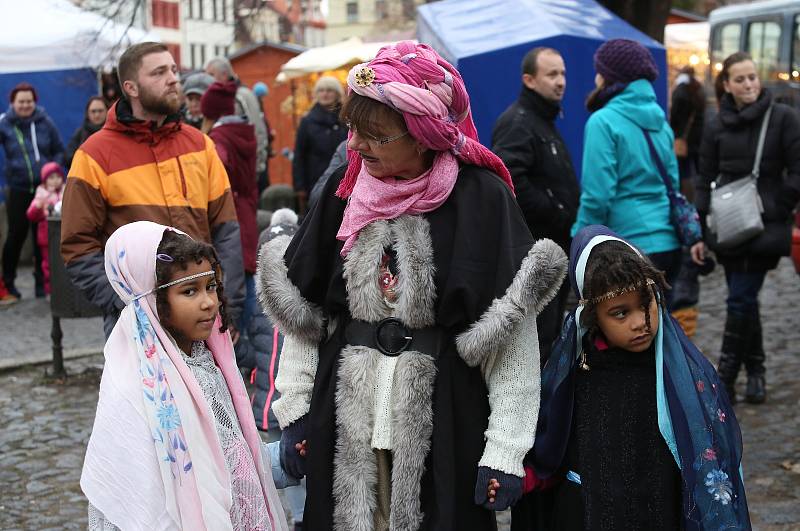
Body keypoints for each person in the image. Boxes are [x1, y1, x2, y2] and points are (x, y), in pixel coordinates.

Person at [257, 41, 568, 530]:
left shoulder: (481, 200)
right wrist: (294, 409)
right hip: (344, 422)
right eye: (352, 130)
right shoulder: (346, 190)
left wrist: (505, 449)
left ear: (422, 135)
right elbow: (304, 315)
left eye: (374, 135)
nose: (356, 145)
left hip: (446, 421)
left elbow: (513, 339)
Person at [528, 224, 749, 530]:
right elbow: (550, 443)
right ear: (592, 315)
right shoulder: (578, 373)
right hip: (594, 510)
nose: (639, 323)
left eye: (647, 304)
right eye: (620, 313)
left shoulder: (673, 372)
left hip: (659, 509)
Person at [80, 220, 288, 530]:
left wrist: (283, 460)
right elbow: (131, 497)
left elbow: (229, 458)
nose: (209, 303)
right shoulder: (135, 386)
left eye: (211, 286)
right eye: (189, 291)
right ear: (154, 301)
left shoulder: (205, 365)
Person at [61, 42, 245, 339]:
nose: (173, 78)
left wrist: (226, 302)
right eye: (159, 72)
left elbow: (226, 231)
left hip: (204, 314)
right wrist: (126, 302)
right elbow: (78, 246)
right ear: (131, 88)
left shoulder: (200, 145)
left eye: (173, 69)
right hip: (137, 324)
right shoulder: (94, 155)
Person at [693, 52, 800, 405]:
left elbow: (797, 171)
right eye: (740, 79)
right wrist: (700, 227)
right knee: (746, 300)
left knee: (739, 297)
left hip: (765, 226)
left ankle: (724, 379)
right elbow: (704, 175)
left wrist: (776, 206)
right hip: (728, 225)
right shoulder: (715, 123)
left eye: (753, 77)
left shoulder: (782, 117)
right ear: (726, 84)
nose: (749, 84)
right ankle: (757, 372)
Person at [572, 39, 682, 307]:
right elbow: (673, 183)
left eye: (599, 70)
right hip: (669, 242)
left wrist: (579, 239)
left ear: (610, 77)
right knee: (659, 334)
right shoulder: (660, 123)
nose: (596, 77)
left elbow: (598, 195)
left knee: (630, 338)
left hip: (628, 247)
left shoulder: (602, 121)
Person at [492, 46, 580, 367]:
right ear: (529, 80)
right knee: (537, 340)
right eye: (552, 74)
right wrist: (557, 211)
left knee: (550, 333)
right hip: (536, 248)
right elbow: (510, 179)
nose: (561, 82)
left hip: (554, 244)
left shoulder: (543, 118)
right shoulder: (518, 121)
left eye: (563, 73)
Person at [236, 208, 306, 531]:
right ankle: (295, 517)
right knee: (286, 464)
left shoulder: (306, 306)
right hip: (269, 403)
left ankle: (304, 516)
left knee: (303, 461)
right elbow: (250, 350)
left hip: (298, 403)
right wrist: (240, 350)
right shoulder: (259, 311)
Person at [201, 80, 259, 333]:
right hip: (246, 213)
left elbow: (220, 161)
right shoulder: (243, 132)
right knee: (245, 275)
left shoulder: (217, 140)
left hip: (229, 212)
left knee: (235, 278)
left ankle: (242, 342)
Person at [0, 82, 64, 298]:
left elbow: (58, 150)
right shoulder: (5, 124)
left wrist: (51, 172)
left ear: (34, 102)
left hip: (43, 190)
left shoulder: (45, 122)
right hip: (17, 188)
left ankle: (42, 284)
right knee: (16, 234)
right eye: (21, 102)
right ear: (13, 103)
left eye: (29, 101)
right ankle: (8, 282)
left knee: (42, 238)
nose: (26, 105)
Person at [205, 57, 269, 187]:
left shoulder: (242, 95)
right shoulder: (217, 95)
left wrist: (256, 168)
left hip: (246, 170)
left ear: (224, 74)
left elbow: (258, 130)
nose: (207, 79)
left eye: (211, 75)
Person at [291, 76, 347, 212]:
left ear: (337, 93)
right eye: (321, 90)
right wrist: (300, 187)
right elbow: (299, 155)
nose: (325, 94)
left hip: (343, 177)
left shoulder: (346, 118)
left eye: (329, 90)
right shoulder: (307, 121)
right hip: (316, 179)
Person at [25, 162, 64, 294]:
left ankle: (65, 291)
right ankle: (51, 292)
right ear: (45, 180)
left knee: (64, 264)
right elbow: (31, 215)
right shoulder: (41, 194)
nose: (55, 181)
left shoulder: (66, 190)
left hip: (63, 235)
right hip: (47, 237)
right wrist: (39, 205)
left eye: (57, 177)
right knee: (49, 266)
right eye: (51, 177)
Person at [670, 66, 705, 201]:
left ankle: (687, 199)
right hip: (697, 136)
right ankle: (699, 196)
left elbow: (675, 116)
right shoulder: (698, 88)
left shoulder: (680, 90)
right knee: (698, 169)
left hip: (682, 137)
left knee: (683, 170)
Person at [65, 97, 108, 168]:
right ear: (87, 113)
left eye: (100, 111)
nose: (97, 115)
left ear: (107, 111)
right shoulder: (80, 132)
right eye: (93, 111)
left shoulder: (113, 132)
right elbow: (68, 157)